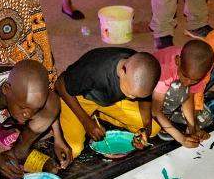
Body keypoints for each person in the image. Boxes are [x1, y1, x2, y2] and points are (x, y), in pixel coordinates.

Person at [55, 48, 195, 155]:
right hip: (81, 99)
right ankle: (88, 116)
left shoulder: (141, 71)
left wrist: (145, 129)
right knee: (74, 148)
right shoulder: (94, 69)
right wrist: (86, 121)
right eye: (130, 94)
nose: (132, 99)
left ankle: (101, 115)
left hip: (111, 101)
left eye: (136, 96)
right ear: (122, 72)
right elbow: (60, 83)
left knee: (154, 128)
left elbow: (144, 101)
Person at [154, 40, 214, 142]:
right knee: (179, 89)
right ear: (178, 61)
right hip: (154, 96)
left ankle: (172, 115)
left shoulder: (202, 69)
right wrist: (181, 139)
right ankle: (164, 119)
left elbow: (190, 96)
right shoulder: (166, 67)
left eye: (195, 80)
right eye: (185, 76)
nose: (187, 83)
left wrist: (193, 129)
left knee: (205, 119)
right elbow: (155, 110)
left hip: (174, 96)